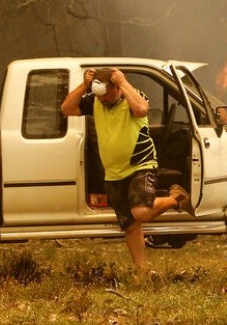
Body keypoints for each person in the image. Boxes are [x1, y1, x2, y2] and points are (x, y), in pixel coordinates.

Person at [61, 67, 194, 269]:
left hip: (140, 165)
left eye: (107, 96)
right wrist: (84, 86)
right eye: (101, 97)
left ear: (117, 87)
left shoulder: (133, 95)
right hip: (113, 173)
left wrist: (123, 82)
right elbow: (67, 109)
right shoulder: (96, 101)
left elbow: (141, 109)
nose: (104, 101)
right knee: (131, 225)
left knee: (141, 212)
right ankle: (141, 271)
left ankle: (175, 198)